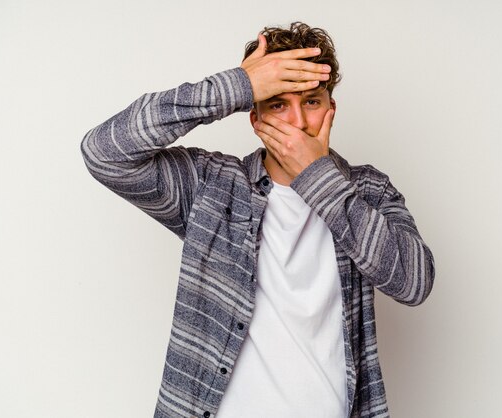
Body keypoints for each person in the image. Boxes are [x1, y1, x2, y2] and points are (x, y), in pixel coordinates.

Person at [81, 22, 435, 418]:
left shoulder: (369, 190)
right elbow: (104, 153)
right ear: (255, 118)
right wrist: (238, 85)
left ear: (331, 109)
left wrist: (316, 176)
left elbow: (414, 283)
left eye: (312, 102)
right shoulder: (210, 186)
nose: (298, 123)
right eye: (278, 103)